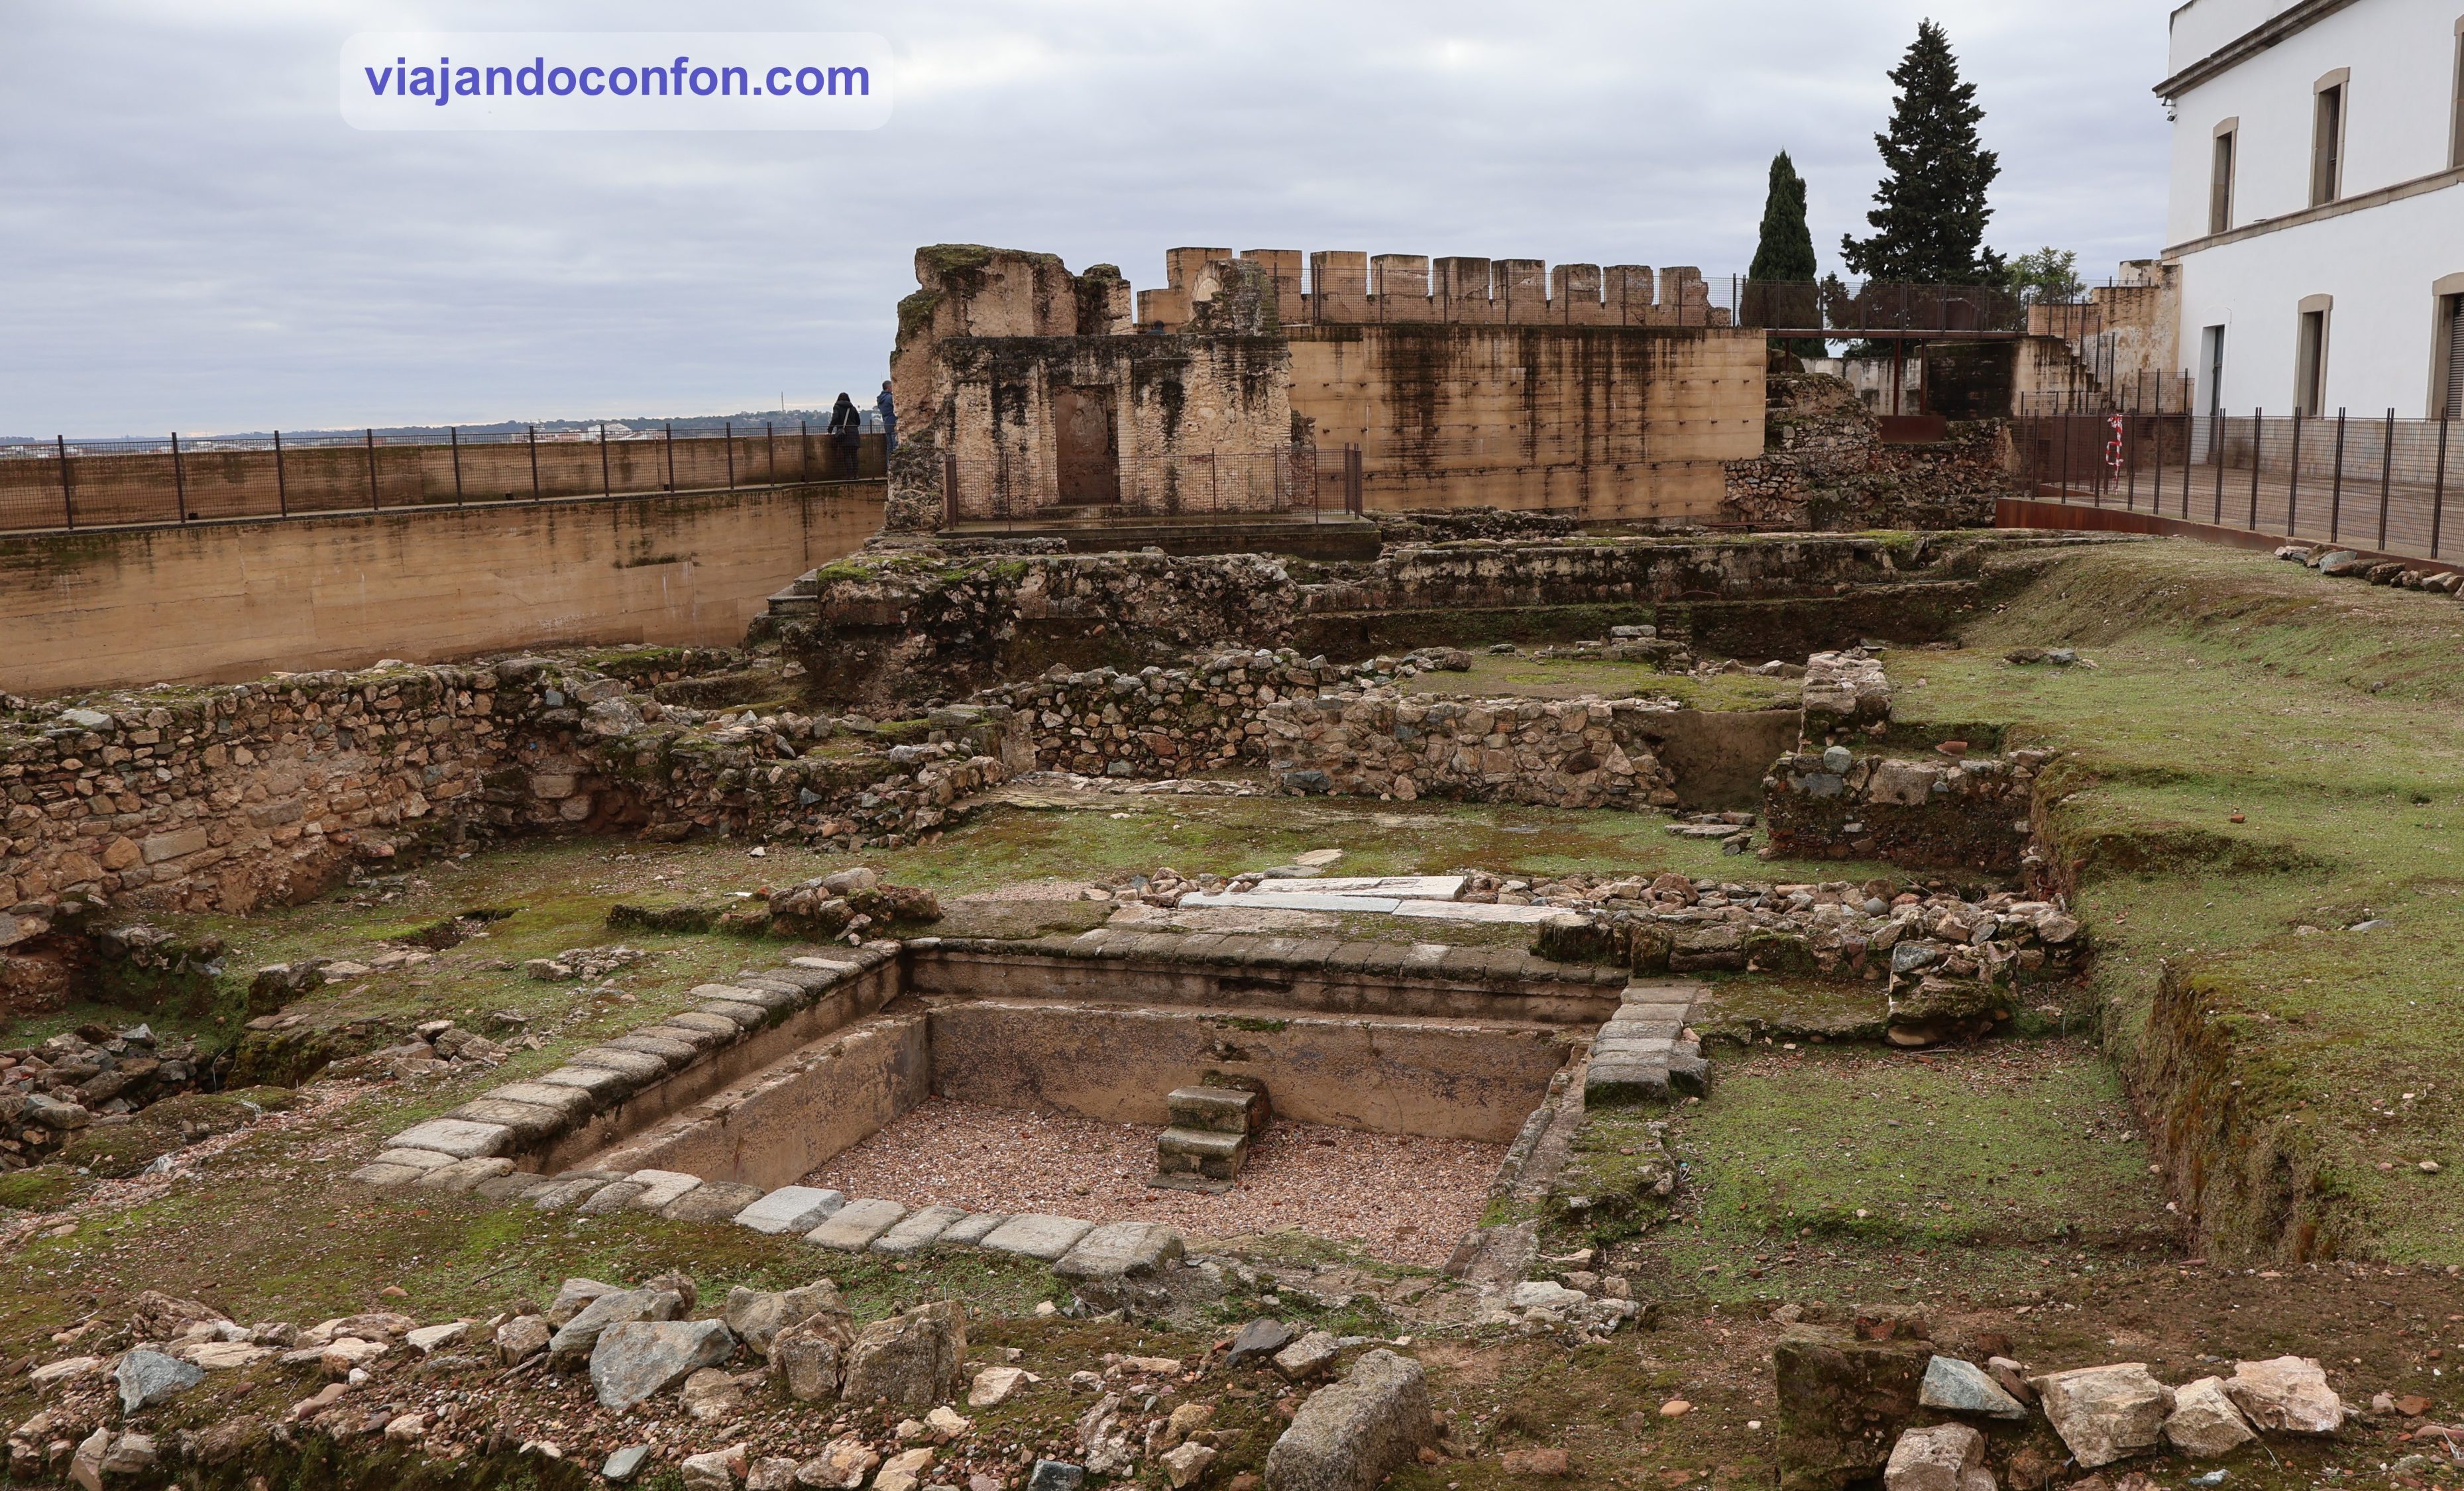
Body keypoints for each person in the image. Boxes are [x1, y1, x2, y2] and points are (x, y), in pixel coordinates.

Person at [827, 391, 861, 476]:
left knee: (846, 455)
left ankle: (849, 474)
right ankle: (856, 474)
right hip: (854, 433)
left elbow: (835, 418)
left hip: (844, 434)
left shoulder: (837, 407)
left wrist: (830, 429)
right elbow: (858, 421)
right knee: (854, 455)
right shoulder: (852, 408)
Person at [875, 380, 896, 452]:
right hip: (894, 423)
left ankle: (889, 463)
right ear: (889, 388)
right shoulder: (890, 398)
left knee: (889, 448)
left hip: (886, 424)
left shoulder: (880, 400)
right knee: (895, 447)